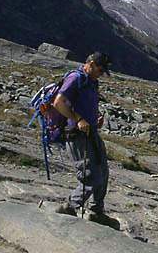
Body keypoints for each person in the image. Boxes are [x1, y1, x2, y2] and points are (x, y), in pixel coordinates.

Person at [53, 52, 117, 228]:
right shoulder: (75, 78)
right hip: (76, 134)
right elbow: (58, 103)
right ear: (89, 63)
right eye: (99, 69)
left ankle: (97, 212)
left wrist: (94, 118)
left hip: (91, 132)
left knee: (103, 171)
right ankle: (69, 207)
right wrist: (78, 119)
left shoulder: (91, 82)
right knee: (90, 175)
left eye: (103, 71)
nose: (101, 73)